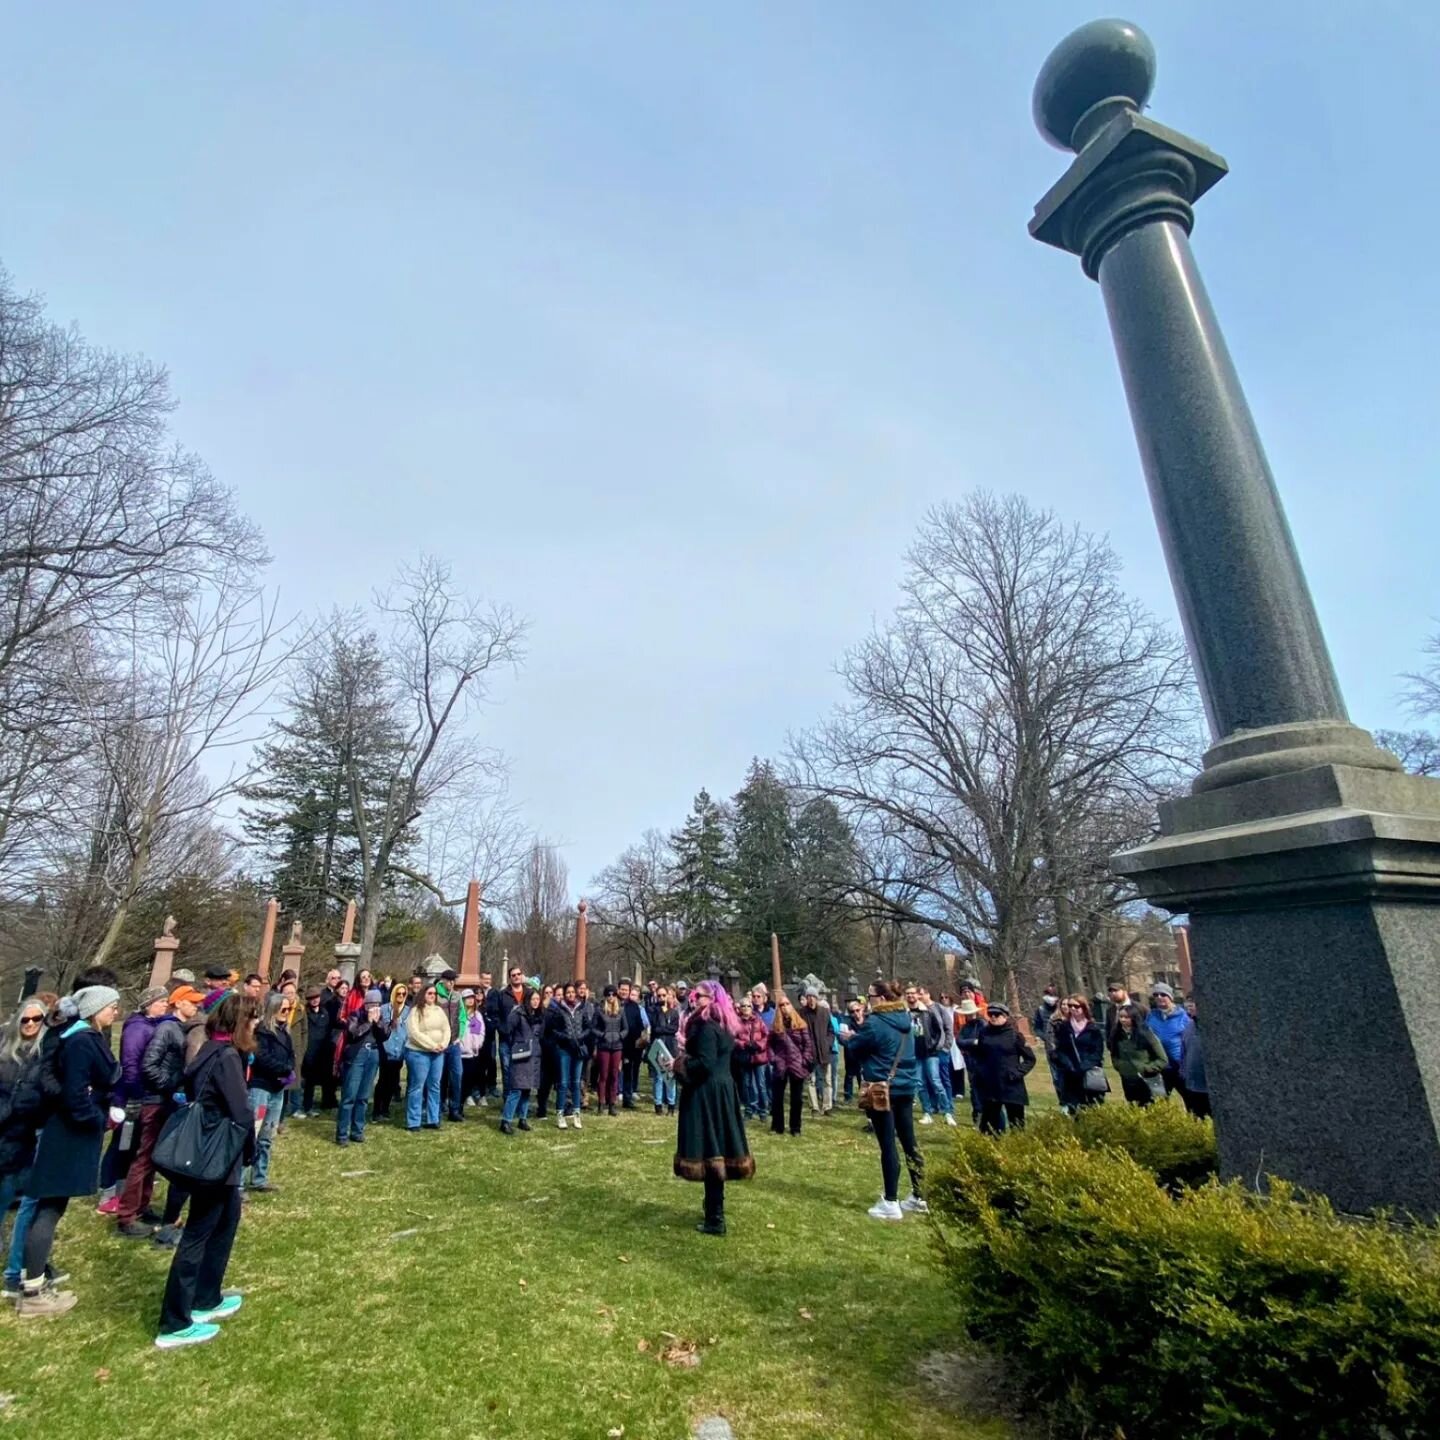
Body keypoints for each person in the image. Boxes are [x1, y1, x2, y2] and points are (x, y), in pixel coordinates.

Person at [155, 993, 256, 1349]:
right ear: (240, 1023)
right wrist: (250, 1150)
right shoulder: (226, 1056)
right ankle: (175, 1321)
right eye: (252, 1020)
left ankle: (207, 1295)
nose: (255, 1026)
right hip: (216, 1153)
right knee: (199, 1232)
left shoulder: (212, 1049)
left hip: (219, 1154)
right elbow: (241, 1112)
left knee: (228, 1219)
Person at [19, 985, 122, 1318]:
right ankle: (32, 1291)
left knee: (52, 1206)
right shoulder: (80, 1041)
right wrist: (97, 1119)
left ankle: (32, 1275)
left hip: (67, 1129)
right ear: (94, 1009)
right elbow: (75, 1093)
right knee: (49, 1206)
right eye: (111, 1006)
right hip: (68, 1133)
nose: (116, 1011)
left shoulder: (78, 1037)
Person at [673, 981, 754, 1235]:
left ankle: (715, 1218)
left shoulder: (707, 1027)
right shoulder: (723, 1024)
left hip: (707, 1094)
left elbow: (705, 1063)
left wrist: (680, 1063)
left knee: (711, 1150)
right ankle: (713, 1211)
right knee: (716, 1151)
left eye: (700, 995)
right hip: (720, 1091)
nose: (694, 999)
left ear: (712, 998)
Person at [841, 981, 925, 1221]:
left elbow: (857, 1048)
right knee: (909, 1141)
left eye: (869, 996)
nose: (867, 1001)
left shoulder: (875, 1023)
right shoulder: (906, 1018)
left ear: (880, 997)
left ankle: (890, 1201)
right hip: (907, 1085)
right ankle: (920, 1196)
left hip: (882, 1087)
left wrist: (848, 1038)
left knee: (888, 1144)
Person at [139, 986, 206, 1247]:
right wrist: (172, 1086)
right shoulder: (169, 1028)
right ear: (179, 1004)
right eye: (192, 1003)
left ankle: (152, 1210)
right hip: (160, 1100)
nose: (197, 1007)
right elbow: (149, 1065)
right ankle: (134, 1211)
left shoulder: (182, 1029)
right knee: (150, 1157)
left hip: (172, 1098)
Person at [104, 985, 171, 1221]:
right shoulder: (137, 1028)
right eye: (161, 1001)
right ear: (148, 1004)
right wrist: (137, 1092)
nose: (165, 1004)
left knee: (140, 1150)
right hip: (134, 1096)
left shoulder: (155, 1025)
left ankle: (136, 1200)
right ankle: (113, 1195)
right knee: (126, 1147)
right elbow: (131, 1064)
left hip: (146, 1095)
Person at [0, 999, 49, 1300]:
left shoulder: (46, 1054)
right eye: (25, 1020)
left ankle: (16, 1269)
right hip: (6, 1137)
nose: (30, 1025)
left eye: (36, 1019)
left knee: (27, 1206)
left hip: (29, 1137)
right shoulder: (5, 1054)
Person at [971, 1004, 1035, 1135]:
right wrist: (980, 1072)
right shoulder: (984, 1033)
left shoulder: (1014, 1035)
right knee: (989, 1126)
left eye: (997, 1015)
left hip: (1011, 1084)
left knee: (1017, 1125)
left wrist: (1017, 1073)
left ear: (1005, 1016)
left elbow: (1030, 1059)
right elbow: (979, 1055)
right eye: (990, 1015)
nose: (993, 1017)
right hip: (990, 1085)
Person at [336, 989, 389, 1145]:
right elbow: (353, 1033)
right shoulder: (355, 1015)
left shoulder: (381, 1017)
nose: (374, 1008)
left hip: (373, 1055)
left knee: (363, 1096)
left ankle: (357, 1130)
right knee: (349, 1096)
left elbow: (385, 1034)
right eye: (371, 1004)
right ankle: (342, 1133)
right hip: (357, 1055)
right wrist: (368, 1022)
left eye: (377, 1005)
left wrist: (378, 1023)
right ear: (365, 1004)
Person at [404, 982, 450, 1132]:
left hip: (438, 1053)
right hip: (419, 1053)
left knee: (435, 1086)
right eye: (429, 993)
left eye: (434, 994)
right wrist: (432, 1045)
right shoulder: (416, 1011)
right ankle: (413, 1121)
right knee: (417, 1087)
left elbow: (446, 1029)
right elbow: (414, 1033)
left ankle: (433, 1118)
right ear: (423, 994)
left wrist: (443, 1044)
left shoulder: (439, 1010)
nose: (432, 996)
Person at [909, 985, 956, 1128]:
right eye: (909, 994)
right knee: (920, 1083)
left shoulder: (929, 1012)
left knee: (936, 1081)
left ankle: (947, 1111)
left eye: (914, 994)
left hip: (931, 1052)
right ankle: (927, 1112)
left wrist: (939, 1046)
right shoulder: (906, 1013)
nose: (912, 996)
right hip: (915, 1053)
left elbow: (940, 1029)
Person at [768, 993, 814, 1138]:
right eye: (781, 1005)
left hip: (796, 1063)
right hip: (781, 1063)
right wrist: (774, 1059)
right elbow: (770, 1045)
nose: (785, 1007)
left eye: (787, 1004)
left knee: (796, 1099)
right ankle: (778, 1125)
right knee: (777, 1097)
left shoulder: (800, 1024)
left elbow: (807, 1044)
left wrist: (804, 1060)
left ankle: (795, 1127)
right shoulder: (776, 1026)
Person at [1053, 995, 1107, 1113]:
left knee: (1093, 1108)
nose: (1072, 1009)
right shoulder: (1064, 1027)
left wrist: (1084, 1066)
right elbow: (1060, 1049)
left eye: (1076, 1006)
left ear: (1083, 1008)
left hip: (1089, 1073)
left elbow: (1097, 1052)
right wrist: (1069, 1065)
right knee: (1074, 1108)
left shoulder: (1093, 1028)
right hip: (1070, 1074)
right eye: (1070, 1006)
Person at [501, 987, 543, 1135]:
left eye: (538, 999)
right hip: (520, 1055)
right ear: (527, 999)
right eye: (533, 999)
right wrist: (517, 1044)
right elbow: (508, 1030)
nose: (536, 1002)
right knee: (516, 1089)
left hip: (534, 1055)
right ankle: (506, 1120)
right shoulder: (518, 1014)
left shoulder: (538, 1016)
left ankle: (523, 1118)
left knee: (527, 1089)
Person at [1109, 1004, 1169, 1106]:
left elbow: (1163, 1059)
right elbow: (1114, 1055)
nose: (1123, 1020)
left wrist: (1145, 1068)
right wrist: (1120, 1066)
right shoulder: (1116, 1035)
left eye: (1127, 1017)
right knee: (1134, 1108)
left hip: (1147, 1079)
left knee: (1151, 1107)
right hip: (1128, 1080)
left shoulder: (1146, 1034)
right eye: (1121, 1017)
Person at [549, 982, 586, 1129]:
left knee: (576, 1083)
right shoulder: (559, 1010)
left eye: (573, 992)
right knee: (563, 1083)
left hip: (578, 1049)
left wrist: (580, 1037)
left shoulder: (580, 1009)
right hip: (564, 1049)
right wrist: (566, 1037)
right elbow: (554, 1030)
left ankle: (577, 1113)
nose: (571, 994)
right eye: (568, 992)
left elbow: (588, 1027)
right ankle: (560, 1113)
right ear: (564, 995)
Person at [373, 980, 410, 1122]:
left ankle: (385, 1109)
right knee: (382, 1081)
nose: (401, 996)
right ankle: (377, 1110)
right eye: (398, 993)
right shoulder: (384, 1009)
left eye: (403, 993)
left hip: (399, 1051)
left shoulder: (408, 1011)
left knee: (393, 1081)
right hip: (385, 1049)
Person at [1146, 983, 1192, 1095]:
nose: (1159, 997)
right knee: (1159, 1101)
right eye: (1156, 995)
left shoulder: (1183, 1016)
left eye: (1163, 994)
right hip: (1160, 1067)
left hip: (1179, 1067)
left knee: (1191, 1101)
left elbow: (1189, 1041)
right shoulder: (1151, 1016)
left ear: (1170, 997)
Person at [298, 986, 336, 1117]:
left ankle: (312, 1106)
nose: (314, 1000)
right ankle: (302, 1106)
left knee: (315, 1081)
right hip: (309, 1050)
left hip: (322, 1052)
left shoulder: (325, 1013)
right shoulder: (304, 1014)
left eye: (316, 998)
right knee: (306, 1080)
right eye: (311, 998)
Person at [591, 986, 626, 1117]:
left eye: (613, 995)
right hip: (604, 1046)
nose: (611, 997)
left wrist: (620, 1036)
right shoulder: (599, 1010)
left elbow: (625, 1028)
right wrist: (602, 1035)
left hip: (617, 1046)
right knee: (604, 1075)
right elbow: (593, 1028)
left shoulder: (621, 1011)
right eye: (608, 995)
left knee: (614, 1075)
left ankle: (612, 1103)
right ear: (605, 997)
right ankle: (601, 1102)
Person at [799, 988, 833, 1115]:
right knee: (811, 1081)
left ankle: (827, 1106)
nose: (811, 999)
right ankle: (814, 1107)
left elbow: (831, 1030)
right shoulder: (801, 1013)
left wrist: (828, 1043)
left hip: (824, 1051)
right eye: (809, 997)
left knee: (827, 1080)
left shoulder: (824, 1012)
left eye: (813, 996)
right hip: (809, 1052)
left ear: (817, 998)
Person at [734, 997, 770, 1119]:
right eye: (743, 1006)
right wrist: (744, 1044)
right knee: (748, 1084)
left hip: (759, 1056)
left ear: (751, 1007)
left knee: (761, 1084)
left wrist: (758, 1045)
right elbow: (733, 1038)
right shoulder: (737, 1022)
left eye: (748, 1006)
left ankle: (763, 1110)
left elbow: (767, 1036)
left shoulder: (758, 1021)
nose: (745, 1008)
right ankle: (749, 1109)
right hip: (745, 1056)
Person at [649, 986, 681, 1115]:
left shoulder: (674, 1013)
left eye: (664, 995)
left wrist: (664, 1028)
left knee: (670, 1076)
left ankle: (671, 1105)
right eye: (659, 995)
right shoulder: (653, 1011)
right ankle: (658, 1105)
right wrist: (663, 1024)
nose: (662, 998)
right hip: (658, 1046)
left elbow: (674, 1029)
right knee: (658, 1077)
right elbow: (655, 1028)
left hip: (670, 1047)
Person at [456, 989, 489, 1112]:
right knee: (459, 1079)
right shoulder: (458, 1014)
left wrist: (478, 1044)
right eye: (467, 998)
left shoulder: (477, 1015)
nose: (470, 1000)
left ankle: (462, 1103)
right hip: (460, 1053)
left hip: (472, 1054)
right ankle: (455, 1103)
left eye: (472, 998)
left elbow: (480, 1032)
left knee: (468, 1080)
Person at [955, 997, 987, 1124]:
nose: (969, 1016)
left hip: (983, 1061)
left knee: (984, 1088)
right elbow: (959, 1042)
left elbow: (984, 1042)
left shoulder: (982, 1024)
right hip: (970, 1061)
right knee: (974, 1089)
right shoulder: (965, 1027)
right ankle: (977, 1115)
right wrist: (973, 1042)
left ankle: (986, 1115)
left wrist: (972, 1043)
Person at [1178, 998, 1210, 1119]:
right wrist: (1183, 1072)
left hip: (1208, 1086)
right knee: (1198, 1118)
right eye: (1189, 1004)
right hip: (1193, 1085)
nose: (1190, 1006)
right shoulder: (1188, 1027)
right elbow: (1183, 1052)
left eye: (1194, 1004)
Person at [619, 979, 646, 1110]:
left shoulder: (634, 1006)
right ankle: (609, 1098)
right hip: (614, 1042)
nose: (624, 992)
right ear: (619, 990)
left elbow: (640, 1025)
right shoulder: (613, 1003)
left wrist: (638, 1038)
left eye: (626, 990)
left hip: (630, 1045)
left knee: (628, 1072)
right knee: (612, 1073)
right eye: (622, 989)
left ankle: (627, 1099)